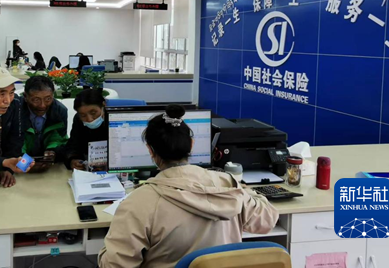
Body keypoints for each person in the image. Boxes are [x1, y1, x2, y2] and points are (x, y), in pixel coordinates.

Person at [98, 105, 279, 268]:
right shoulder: (227, 185)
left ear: (150, 150)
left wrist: (107, 248)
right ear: (192, 144)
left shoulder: (139, 202)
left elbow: (114, 265)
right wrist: (244, 190)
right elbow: (266, 221)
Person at [21, 76, 68, 171]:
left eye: (48, 99)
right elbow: (13, 144)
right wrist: (26, 165)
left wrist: (52, 152)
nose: (42, 105)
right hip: (20, 163)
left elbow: (60, 139)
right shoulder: (16, 111)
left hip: (49, 167)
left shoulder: (60, 111)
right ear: (25, 97)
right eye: (36, 100)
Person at [64, 89, 107, 170]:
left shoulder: (115, 118)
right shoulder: (78, 119)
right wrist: (72, 160)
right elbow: (73, 145)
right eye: (83, 115)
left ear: (103, 105)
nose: (89, 119)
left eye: (93, 113)